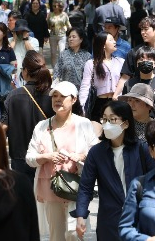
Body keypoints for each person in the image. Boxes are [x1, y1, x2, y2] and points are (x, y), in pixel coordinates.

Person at [26, 81, 98, 241]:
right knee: (56, 235)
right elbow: (29, 157)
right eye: (54, 96)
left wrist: (81, 156)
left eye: (63, 96)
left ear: (73, 100)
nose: (57, 100)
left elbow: (96, 152)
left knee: (74, 233)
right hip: (50, 188)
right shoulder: (41, 126)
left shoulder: (83, 124)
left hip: (76, 187)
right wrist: (46, 157)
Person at [74, 101, 155, 241]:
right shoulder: (96, 153)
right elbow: (86, 186)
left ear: (126, 123)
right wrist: (81, 215)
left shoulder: (142, 149)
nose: (107, 124)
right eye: (104, 119)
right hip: (109, 220)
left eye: (112, 119)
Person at [3, 51, 55, 184]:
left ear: (25, 71)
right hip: (46, 155)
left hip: (20, 158)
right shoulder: (54, 96)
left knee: (23, 201)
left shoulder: (13, 96)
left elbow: (3, 127)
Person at [79, 31, 125, 121]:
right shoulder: (91, 64)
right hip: (98, 103)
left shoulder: (121, 61)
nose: (115, 42)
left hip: (116, 102)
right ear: (103, 45)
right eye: (111, 40)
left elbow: (124, 81)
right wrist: (82, 107)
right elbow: (85, 86)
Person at [124, 46, 155, 110]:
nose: (145, 62)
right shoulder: (129, 84)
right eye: (141, 59)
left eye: (149, 59)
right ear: (137, 64)